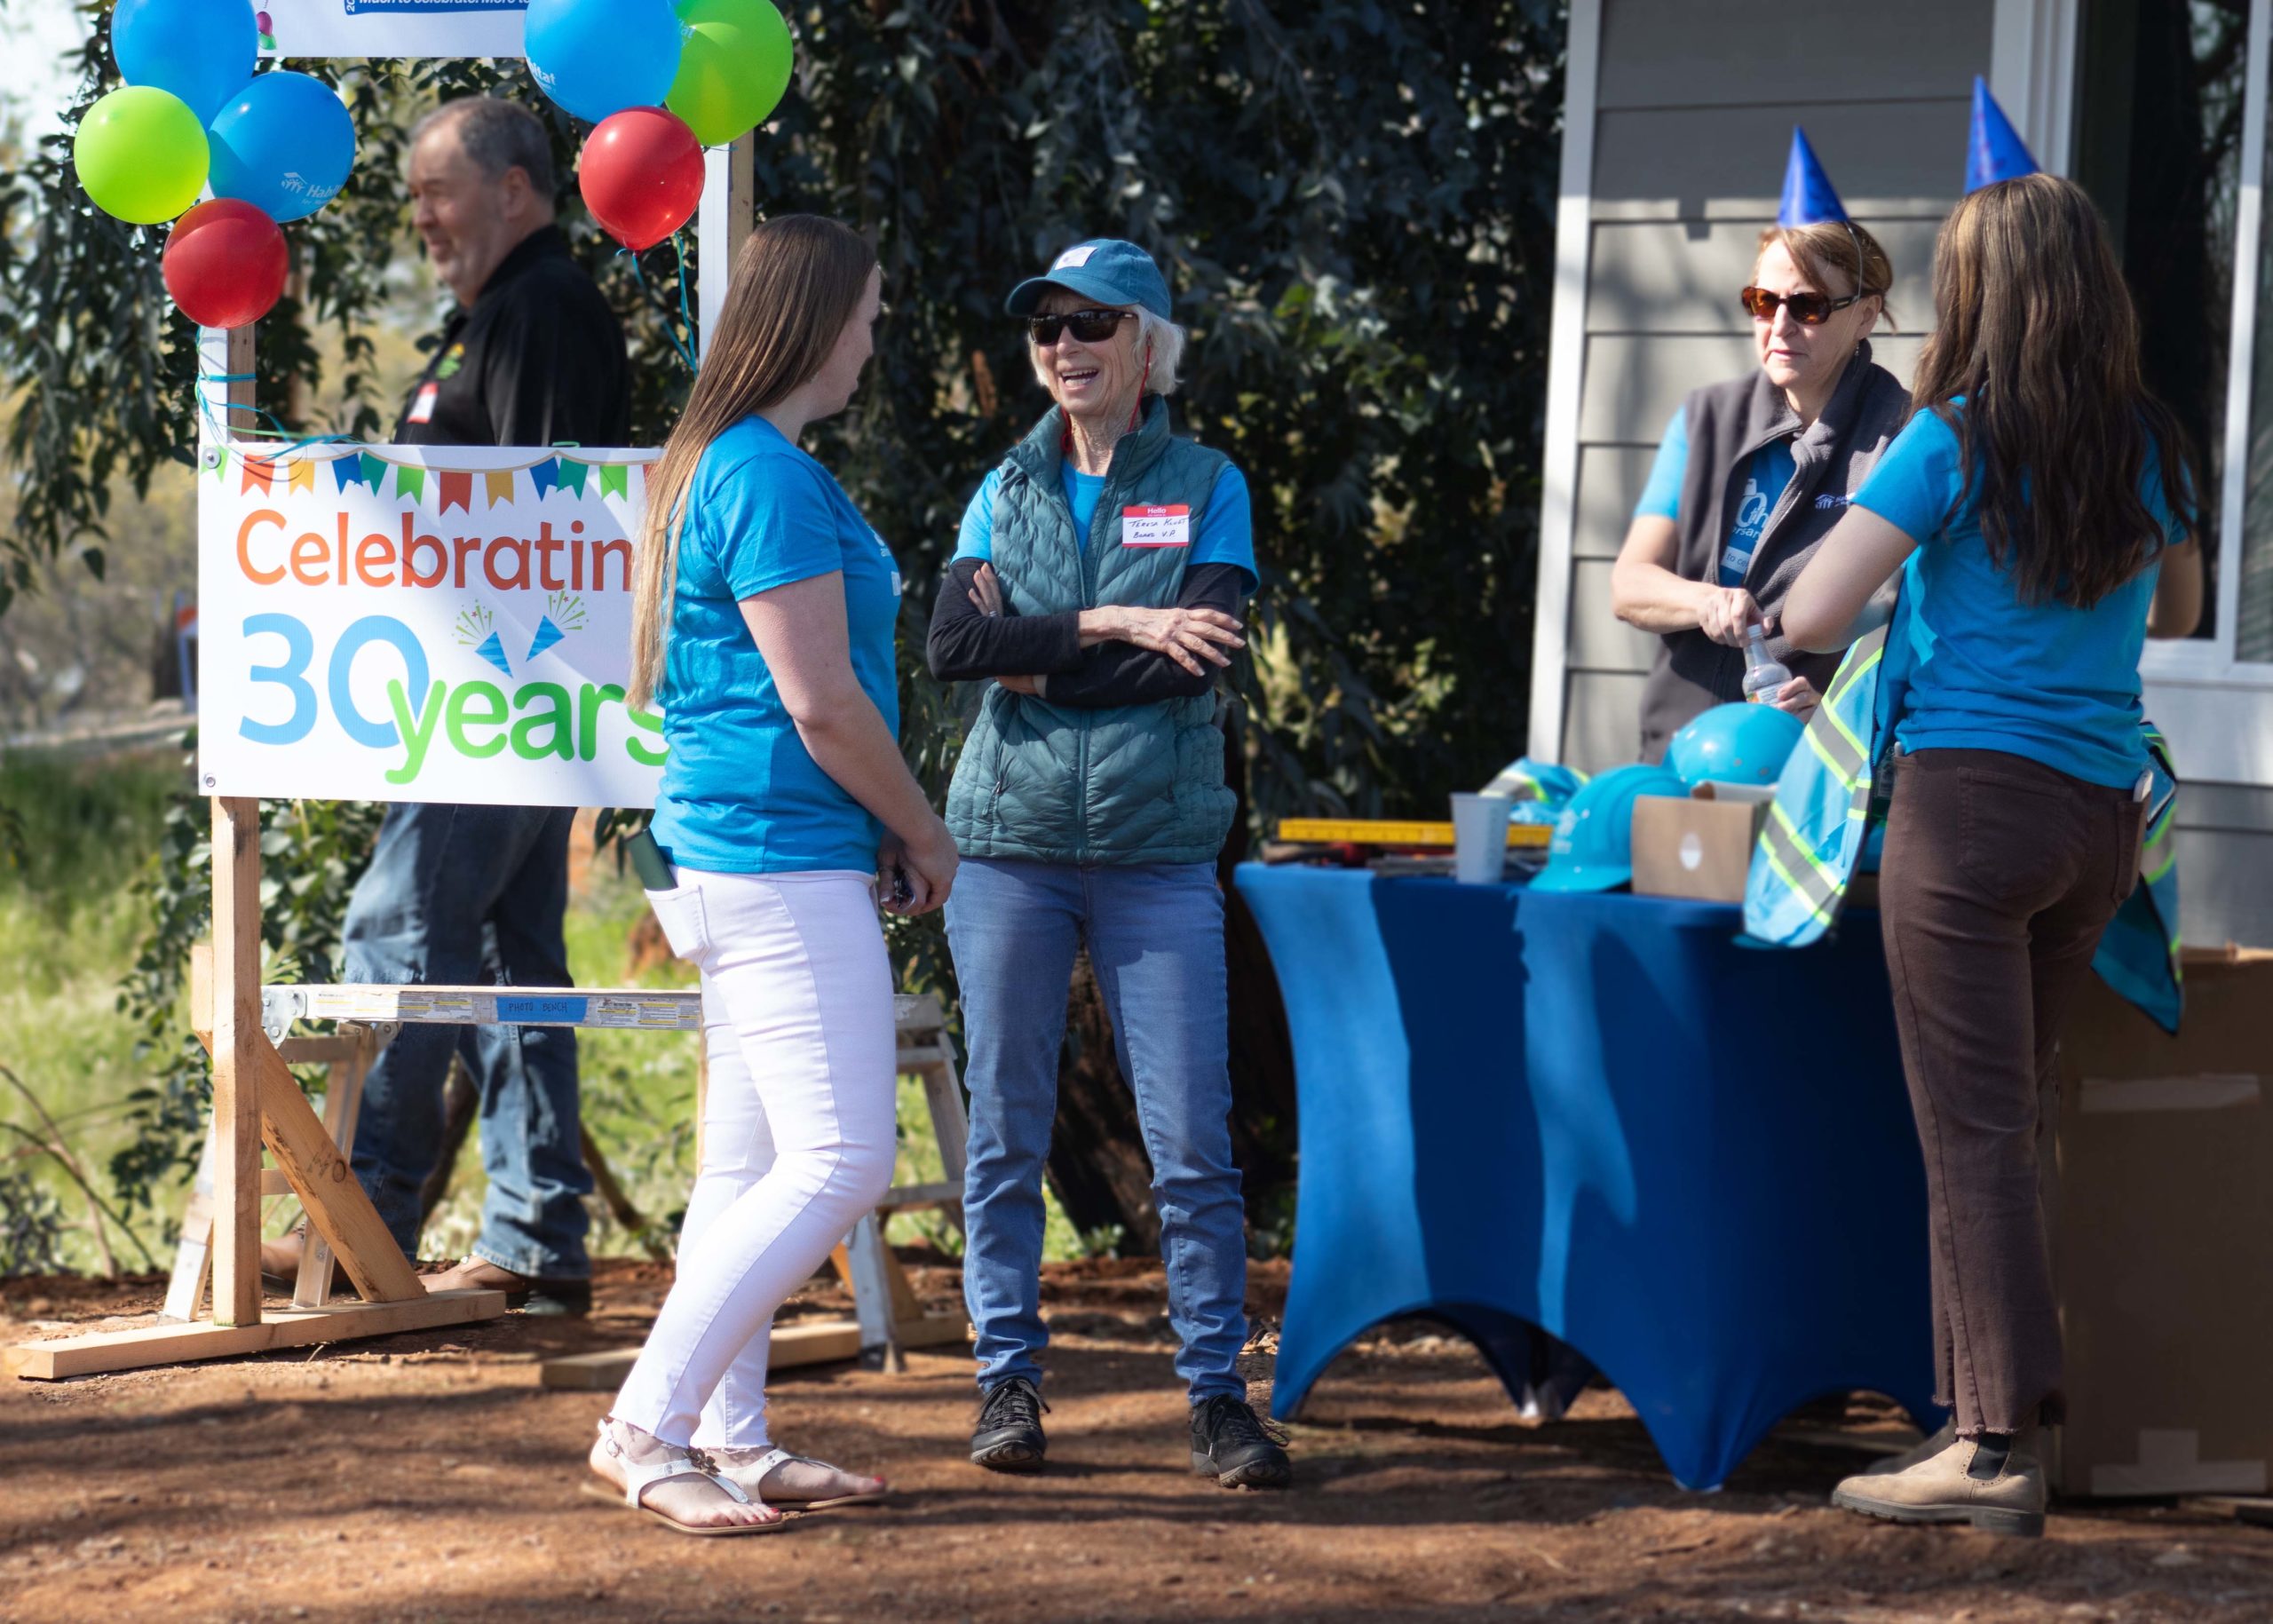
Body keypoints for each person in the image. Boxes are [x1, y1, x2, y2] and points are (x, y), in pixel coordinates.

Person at [1781, 171, 2203, 1538]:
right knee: (2005, 1124)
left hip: (1968, 814)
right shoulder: (2148, 444)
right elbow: (2181, 603)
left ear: (1976, 295)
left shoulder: (1951, 439)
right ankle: (1989, 1417)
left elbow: (1809, 613)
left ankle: (1992, 1442)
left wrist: (1912, 572)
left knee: (1969, 1136)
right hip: (2099, 822)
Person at [587, 214, 954, 1534]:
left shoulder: (741, 466)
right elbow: (825, 705)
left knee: (747, 1170)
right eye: (869, 312)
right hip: (779, 857)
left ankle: (731, 1436)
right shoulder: (768, 478)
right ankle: (647, 1424)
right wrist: (925, 830)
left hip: (752, 855)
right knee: (846, 1155)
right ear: (817, 319)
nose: (875, 335)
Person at [925, 238, 1290, 1490]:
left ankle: (1217, 1397)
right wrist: (1111, 619)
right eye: (1045, 330)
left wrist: (1038, 659)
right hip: (1007, 853)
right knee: (1005, 1136)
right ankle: (1008, 1384)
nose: (1063, 348)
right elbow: (948, 646)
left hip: (1156, 853)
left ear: (1148, 345)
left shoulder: (1206, 481)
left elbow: (1197, 655)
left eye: (1091, 326)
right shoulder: (1003, 487)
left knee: (1192, 1140)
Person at [260, 96, 630, 1313]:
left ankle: (366, 1221)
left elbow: (545, 522)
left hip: (504, 701)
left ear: (516, 190)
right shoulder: (493, 319)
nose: (418, 214)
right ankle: (536, 1244)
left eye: (437, 189)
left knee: (398, 926)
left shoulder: (546, 312)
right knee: (515, 961)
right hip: (487, 703)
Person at [1611, 129, 1910, 761]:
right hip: (1684, 751)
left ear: (1865, 313)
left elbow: (1917, 630)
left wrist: (1836, 708)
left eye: (1807, 307)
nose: (1778, 326)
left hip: (1815, 764)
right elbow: (1628, 586)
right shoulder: (1705, 418)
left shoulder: (1903, 437)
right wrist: (1705, 600)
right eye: (1762, 300)